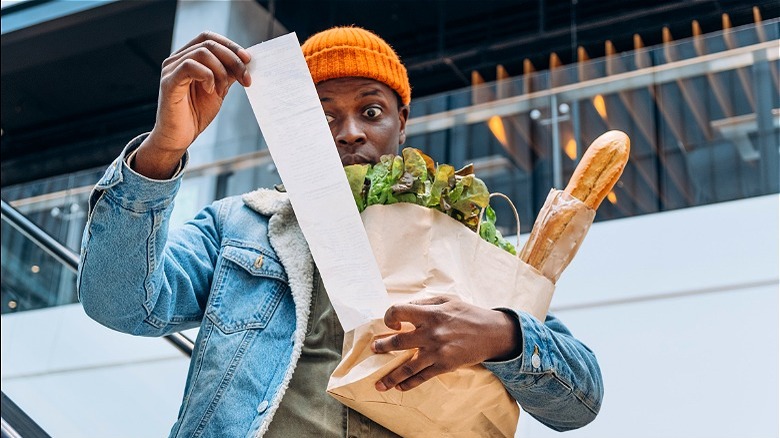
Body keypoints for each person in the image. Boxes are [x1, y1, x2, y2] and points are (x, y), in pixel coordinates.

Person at [78, 26, 603, 437]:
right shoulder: (240, 225)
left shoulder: (460, 239)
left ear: (402, 122)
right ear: (296, 126)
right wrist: (164, 147)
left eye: (370, 111)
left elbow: (579, 401)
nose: (351, 131)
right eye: (324, 115)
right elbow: (119, 303)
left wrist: (502, 334)